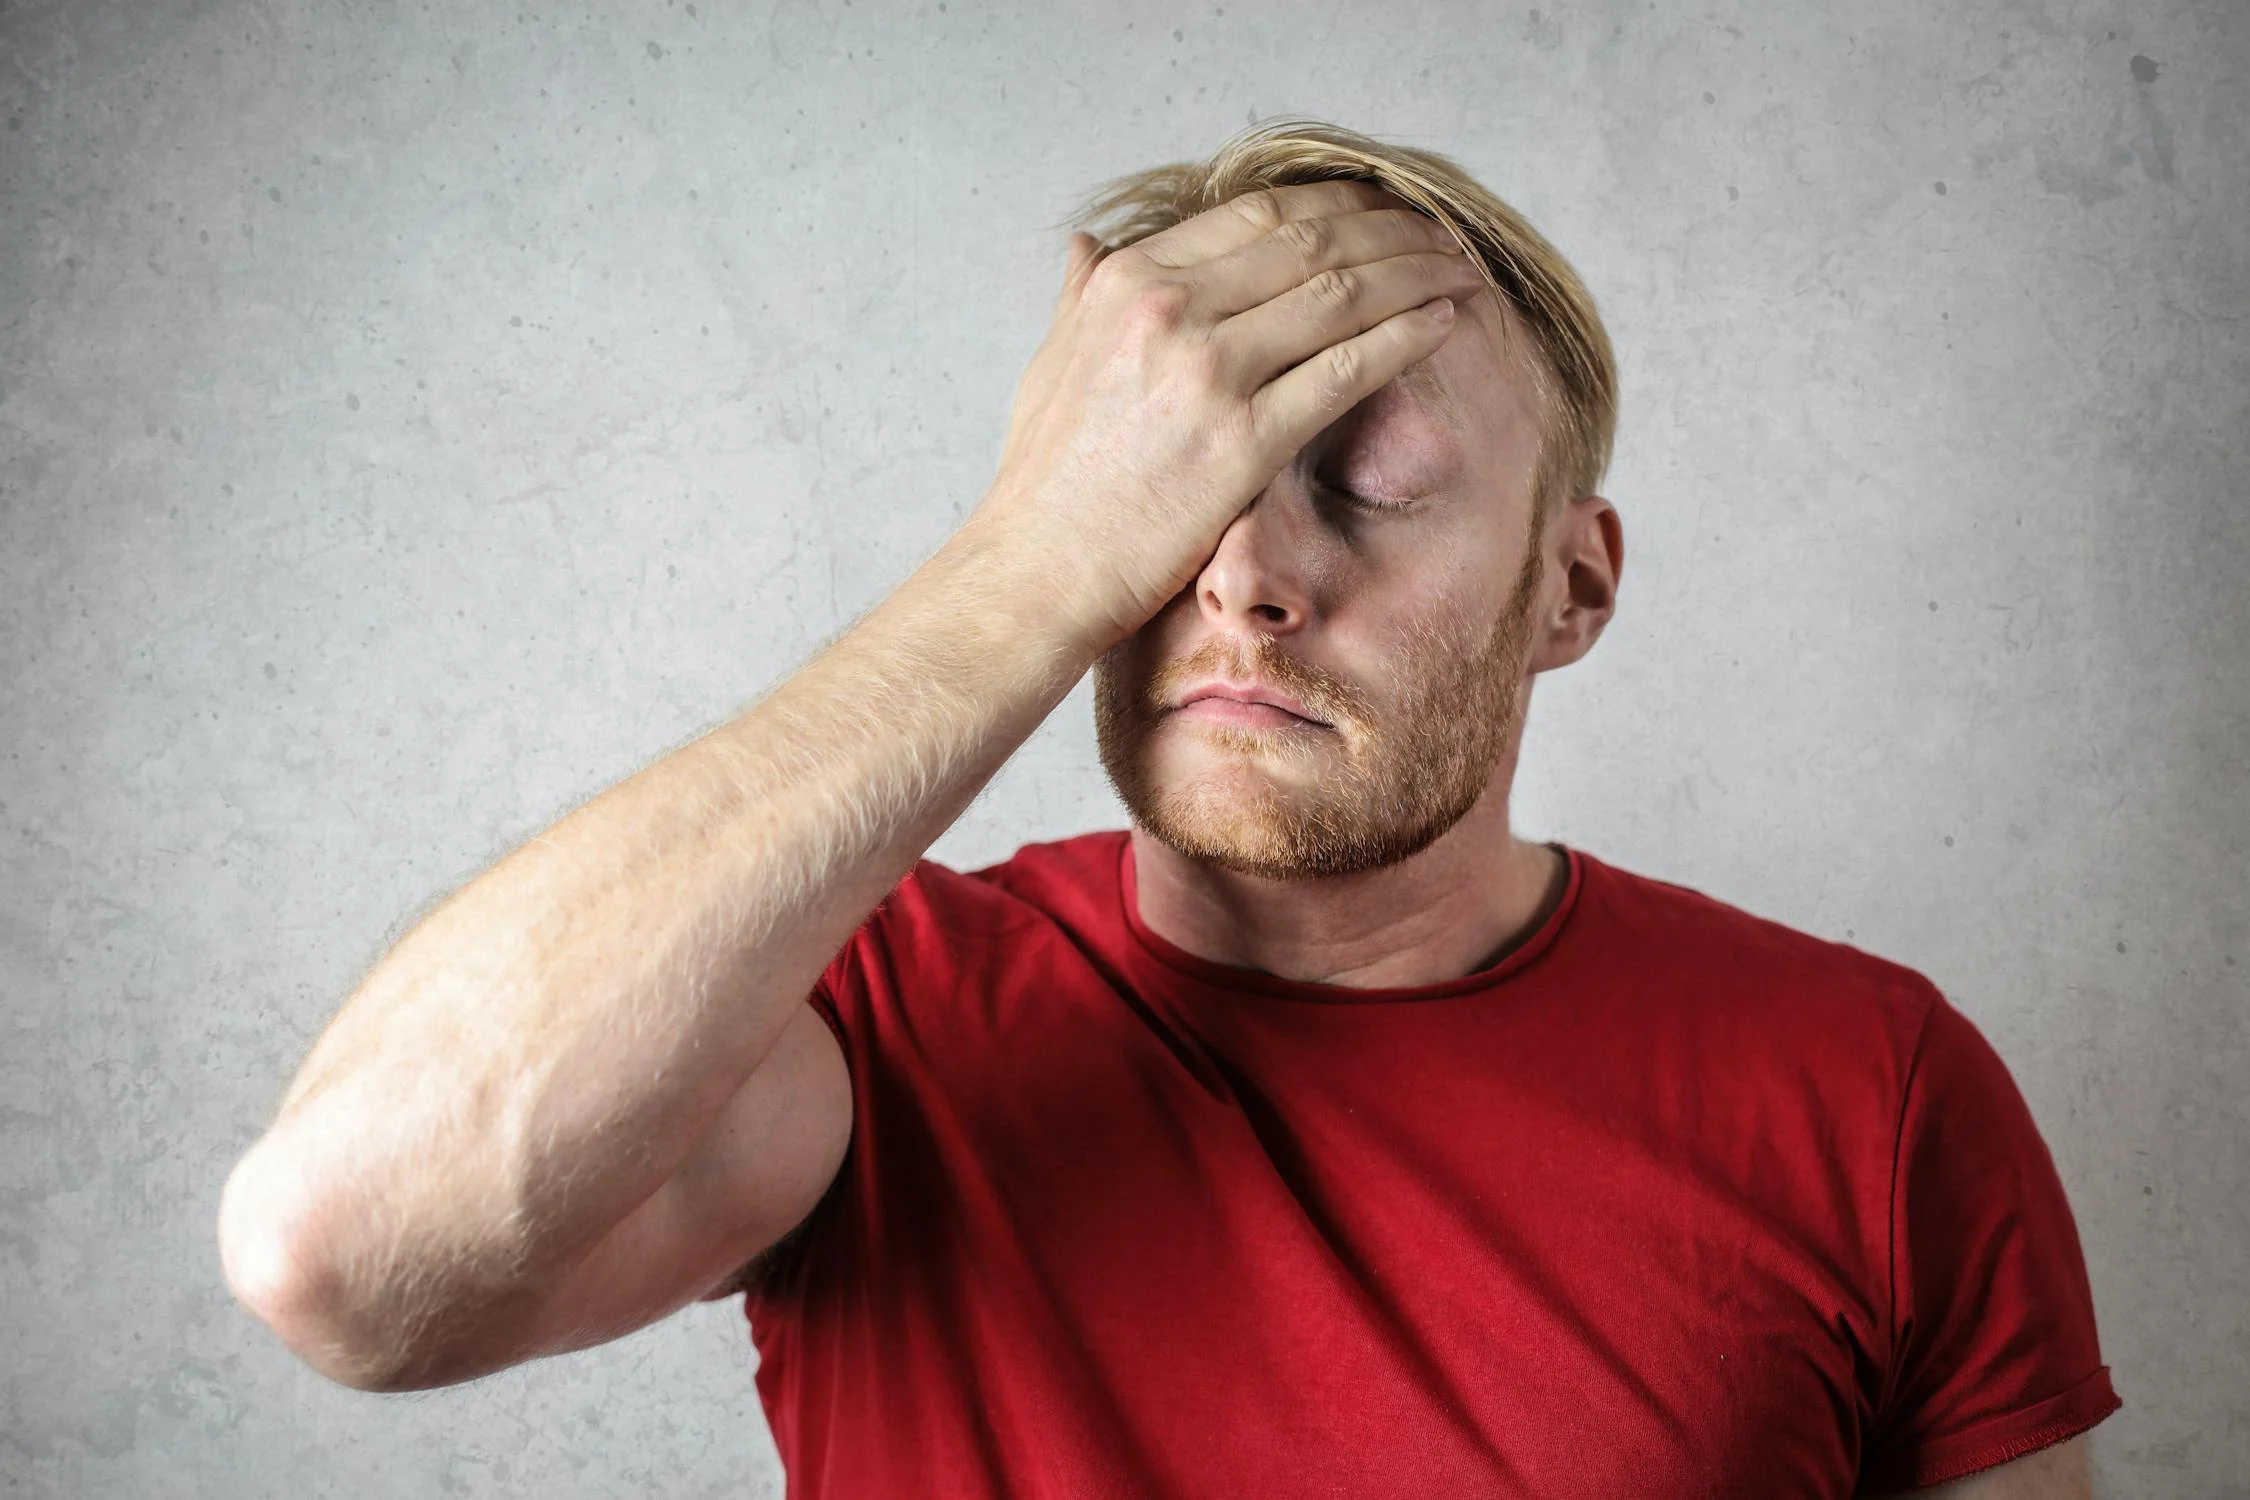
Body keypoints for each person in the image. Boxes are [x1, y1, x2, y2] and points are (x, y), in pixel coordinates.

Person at [218, 119, 2122, 1496]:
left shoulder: (1869, 1084)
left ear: (1573, 588)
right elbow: (342, 1260)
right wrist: (1026, 565)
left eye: (1368, 479)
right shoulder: (863, 1026)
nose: (1242, 576)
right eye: (1168, 493)